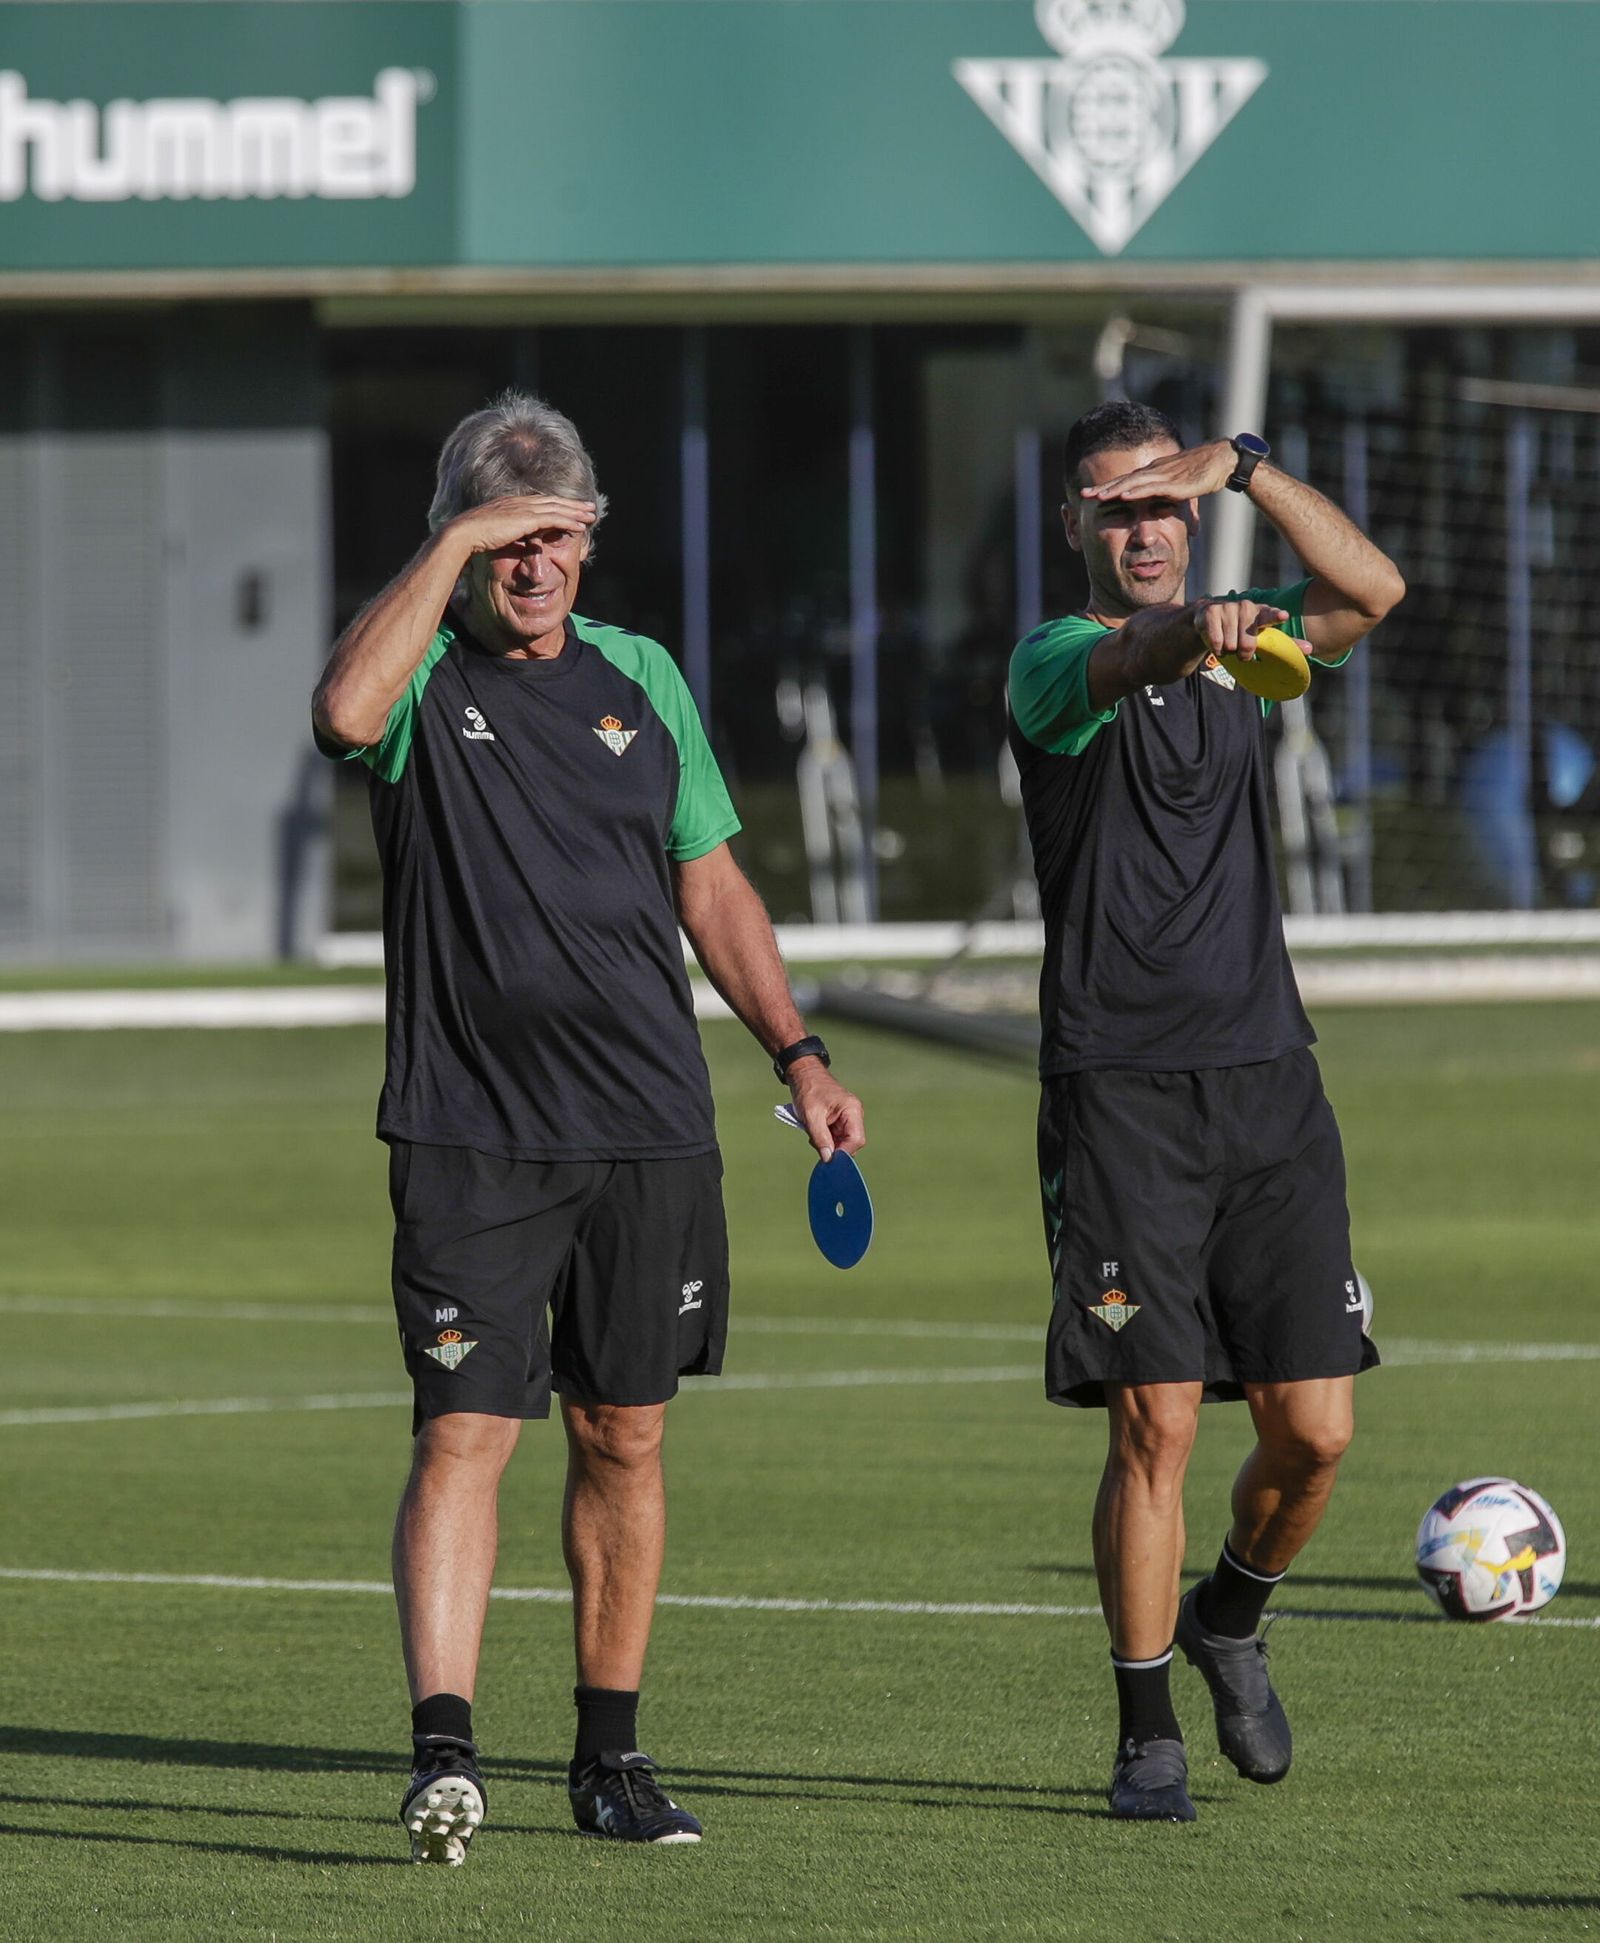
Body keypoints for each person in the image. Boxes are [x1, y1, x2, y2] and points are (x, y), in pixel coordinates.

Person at [312, 390, 863, 1863]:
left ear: (593, 540)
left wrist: (799, 1050)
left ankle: (611, 1761)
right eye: (509, 540)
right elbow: (339, 715)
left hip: (648, 1128)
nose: (537, 565)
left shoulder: (645, 680)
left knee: (626, 1436)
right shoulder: (418, 674)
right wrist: (450, 547)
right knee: (465, 1433)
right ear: (462, 541)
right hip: (470, 1131)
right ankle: (445, 1754)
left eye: (558, 536)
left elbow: (715, 890)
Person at [1006, 402, 1404, 1823]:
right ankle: (1143, 1731)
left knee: (1315, 1438)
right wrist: (1206, 632)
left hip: (1270, 1087)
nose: (1145, 529)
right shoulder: (1054, 662)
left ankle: (1232, 1615)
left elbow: (1373, 593)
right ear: (1077, 530)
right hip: (1118, 1095)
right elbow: (1129, 657)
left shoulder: (1259, 639)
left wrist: (1247, 468)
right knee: (1155, 1426)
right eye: (1115, 508)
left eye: (1164, 505)